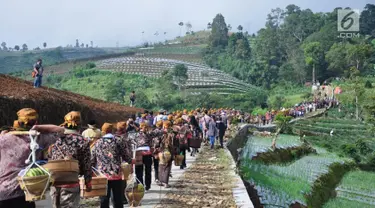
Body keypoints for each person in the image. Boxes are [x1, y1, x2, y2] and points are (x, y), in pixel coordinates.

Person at [0, 108, 63, 208]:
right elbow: (60, 130)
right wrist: (38, 127)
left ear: (18, 122)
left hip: (3, 192)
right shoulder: (38, 139)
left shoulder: (3, 139)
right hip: (25, 191)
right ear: (35, 122)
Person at [48, 111, 92, 208]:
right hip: (71, 182)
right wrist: (88, 182)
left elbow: (49, 156)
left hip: (54, 180)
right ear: (79, 124)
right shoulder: (83, 141)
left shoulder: (55, 138)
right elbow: (86, 164)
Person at [92, 123, 131, 208]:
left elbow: (92, 159)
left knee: (104, 198)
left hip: (102, 174)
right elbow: (126, 156)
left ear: (103, 131)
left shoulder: (97, 142)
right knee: (118, 198)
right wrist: (130, 161)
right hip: (116, 173)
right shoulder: (118, 140)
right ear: (112, 130)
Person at [134, 122, 153, 191]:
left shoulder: (136, 135)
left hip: (138, 153)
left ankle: (140, 185)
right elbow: (151, 143)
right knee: (148, 170)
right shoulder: (149, 134)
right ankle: (147, 185)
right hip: (147, 153)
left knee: (139, 171)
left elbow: (134, 143)